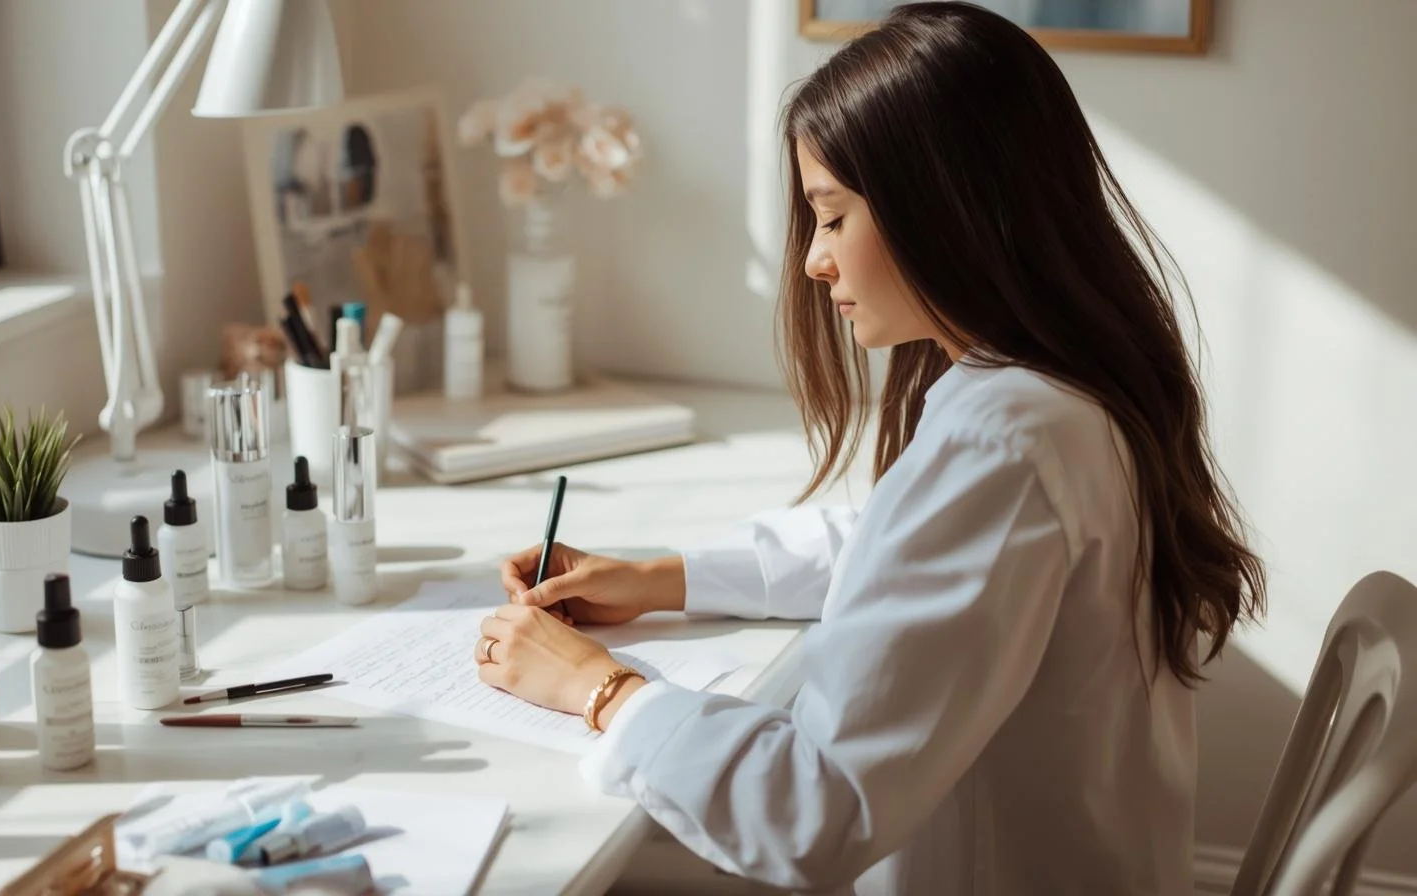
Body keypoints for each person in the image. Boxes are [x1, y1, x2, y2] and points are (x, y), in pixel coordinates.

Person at [473, 3, 1265, 893]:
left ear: (949, 210)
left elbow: (816, 812)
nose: (815, 261)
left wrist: (596, 690)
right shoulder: (1068, 391)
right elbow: (898, 545)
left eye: (834, 216)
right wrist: (659, 579)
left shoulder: (1007, 440)